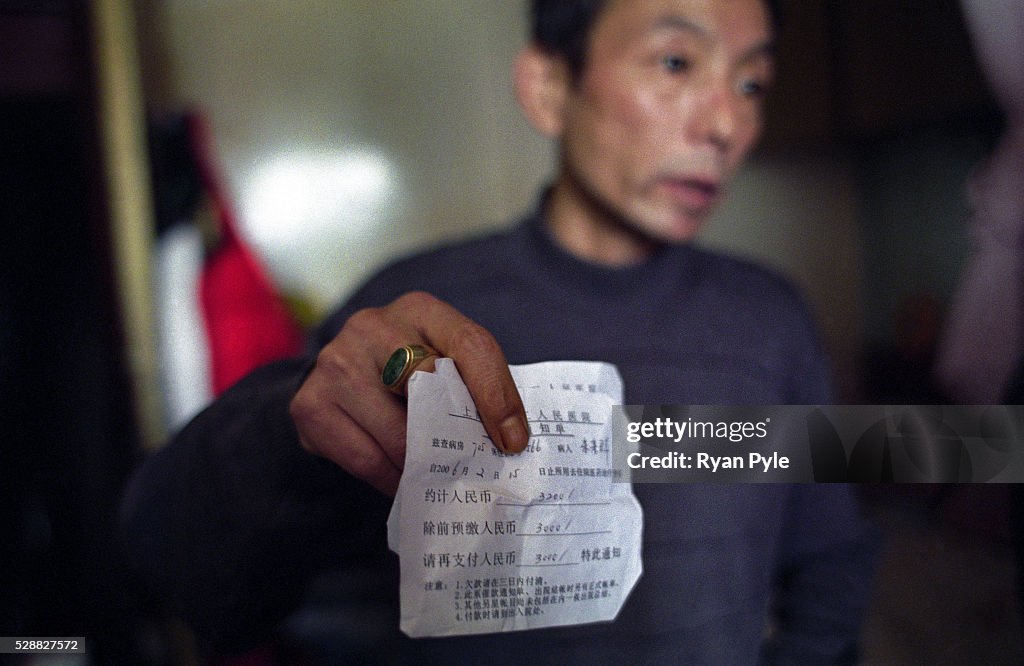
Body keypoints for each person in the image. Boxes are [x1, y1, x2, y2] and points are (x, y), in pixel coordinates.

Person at [121, 0, 878, 662]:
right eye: (676, 62)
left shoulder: (774, 318)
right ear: (549, 86)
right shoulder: (413, 313)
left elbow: (829, 562)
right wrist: (292, 434)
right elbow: (170, 561)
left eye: (752, 82)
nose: (727, 123)